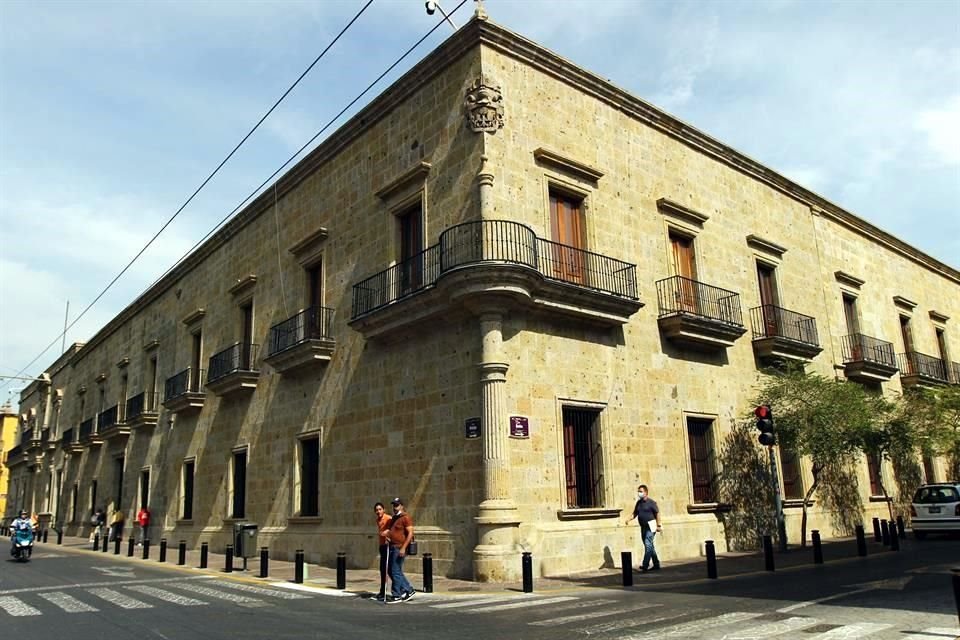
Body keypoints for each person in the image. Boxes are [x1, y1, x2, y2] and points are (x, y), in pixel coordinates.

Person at [625, 484, 662, 572]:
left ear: (646, 492)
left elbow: (657, 514)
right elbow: (635, 513)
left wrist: (659, 525)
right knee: (649, 545)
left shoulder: (651, 502)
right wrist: (628, 519)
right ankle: (656, 564)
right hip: (643, 526)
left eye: (641, 491)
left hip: (651, 525)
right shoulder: (638, 503)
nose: (639, 493)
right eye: (638, 491)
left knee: (648, 544)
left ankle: (645, 565)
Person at [385, 497, 415, 603]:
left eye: (397, 505)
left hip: (399, 548)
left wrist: (403, 548)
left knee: (395, 571)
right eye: (394, 505)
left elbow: (410, 533)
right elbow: (394, 532)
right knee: (391, 571)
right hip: (392, 546)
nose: (395, 507)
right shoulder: (394, 518)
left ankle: (396, 594)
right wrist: (389, 537)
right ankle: (408, 589)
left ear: (402, 506)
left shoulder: (405, 517)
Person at [374, 502, 392, 601]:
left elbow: (391, 530)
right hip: (381, 546)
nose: (378, 511)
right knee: (383, 570)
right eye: (376, 510)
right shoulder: (378, 520)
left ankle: (384, 591)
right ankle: (382, 590)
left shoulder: (388, 518)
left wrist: (388, 535)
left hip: (387, 546)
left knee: (386, 569)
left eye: (380, 509)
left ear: (384, 510)